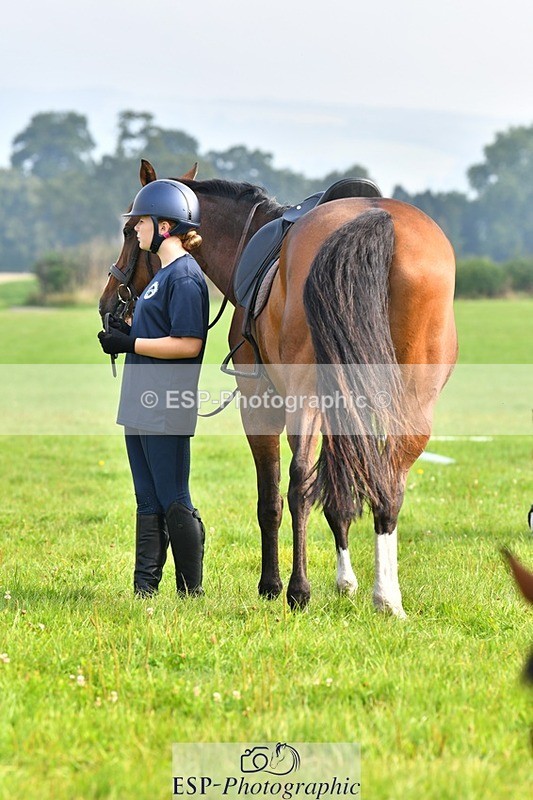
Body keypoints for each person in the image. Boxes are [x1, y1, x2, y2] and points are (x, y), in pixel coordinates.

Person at [98, 179, 209, 597]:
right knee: (147, 500)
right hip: (138, 402)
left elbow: (188, 343)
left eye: (141, 221)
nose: (136, 229)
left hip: (166, 405)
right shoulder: (160, 276)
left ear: (165, 226)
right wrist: (126, 330)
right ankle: (145, 589)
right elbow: (158, 331)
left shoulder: (185, 277)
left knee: (173, 496)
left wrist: (130, 343)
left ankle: (190, 592)